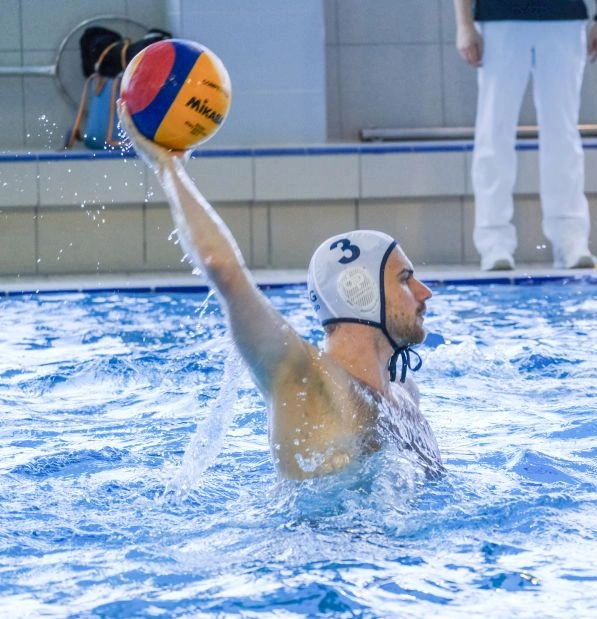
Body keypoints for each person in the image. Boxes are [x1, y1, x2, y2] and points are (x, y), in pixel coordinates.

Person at [117, 103, 444, 480]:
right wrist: (168, 166)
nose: (424, 292)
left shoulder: (403, 393)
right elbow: (225, 271)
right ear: (361, 293)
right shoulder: (306, 380)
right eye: (405, 279)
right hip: (319, 540)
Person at [454, 0, 597, 271]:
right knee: (494, 133)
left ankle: (571, 239)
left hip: (564, 17)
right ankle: (494, 241)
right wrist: (464, 24)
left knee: (563, 134)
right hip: (498, 19)